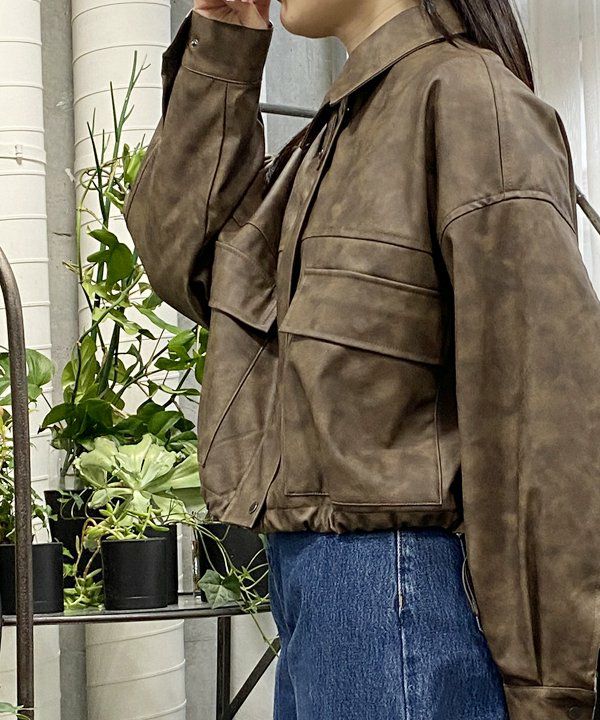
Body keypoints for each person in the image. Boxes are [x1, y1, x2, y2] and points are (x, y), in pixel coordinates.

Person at [123, 0, 600, 718]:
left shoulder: (467, 99)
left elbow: (544, 421)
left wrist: (555, 693)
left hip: (399, 591)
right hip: (321, 590)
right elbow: (185, 261)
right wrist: (224, 42)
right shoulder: (336, 135)